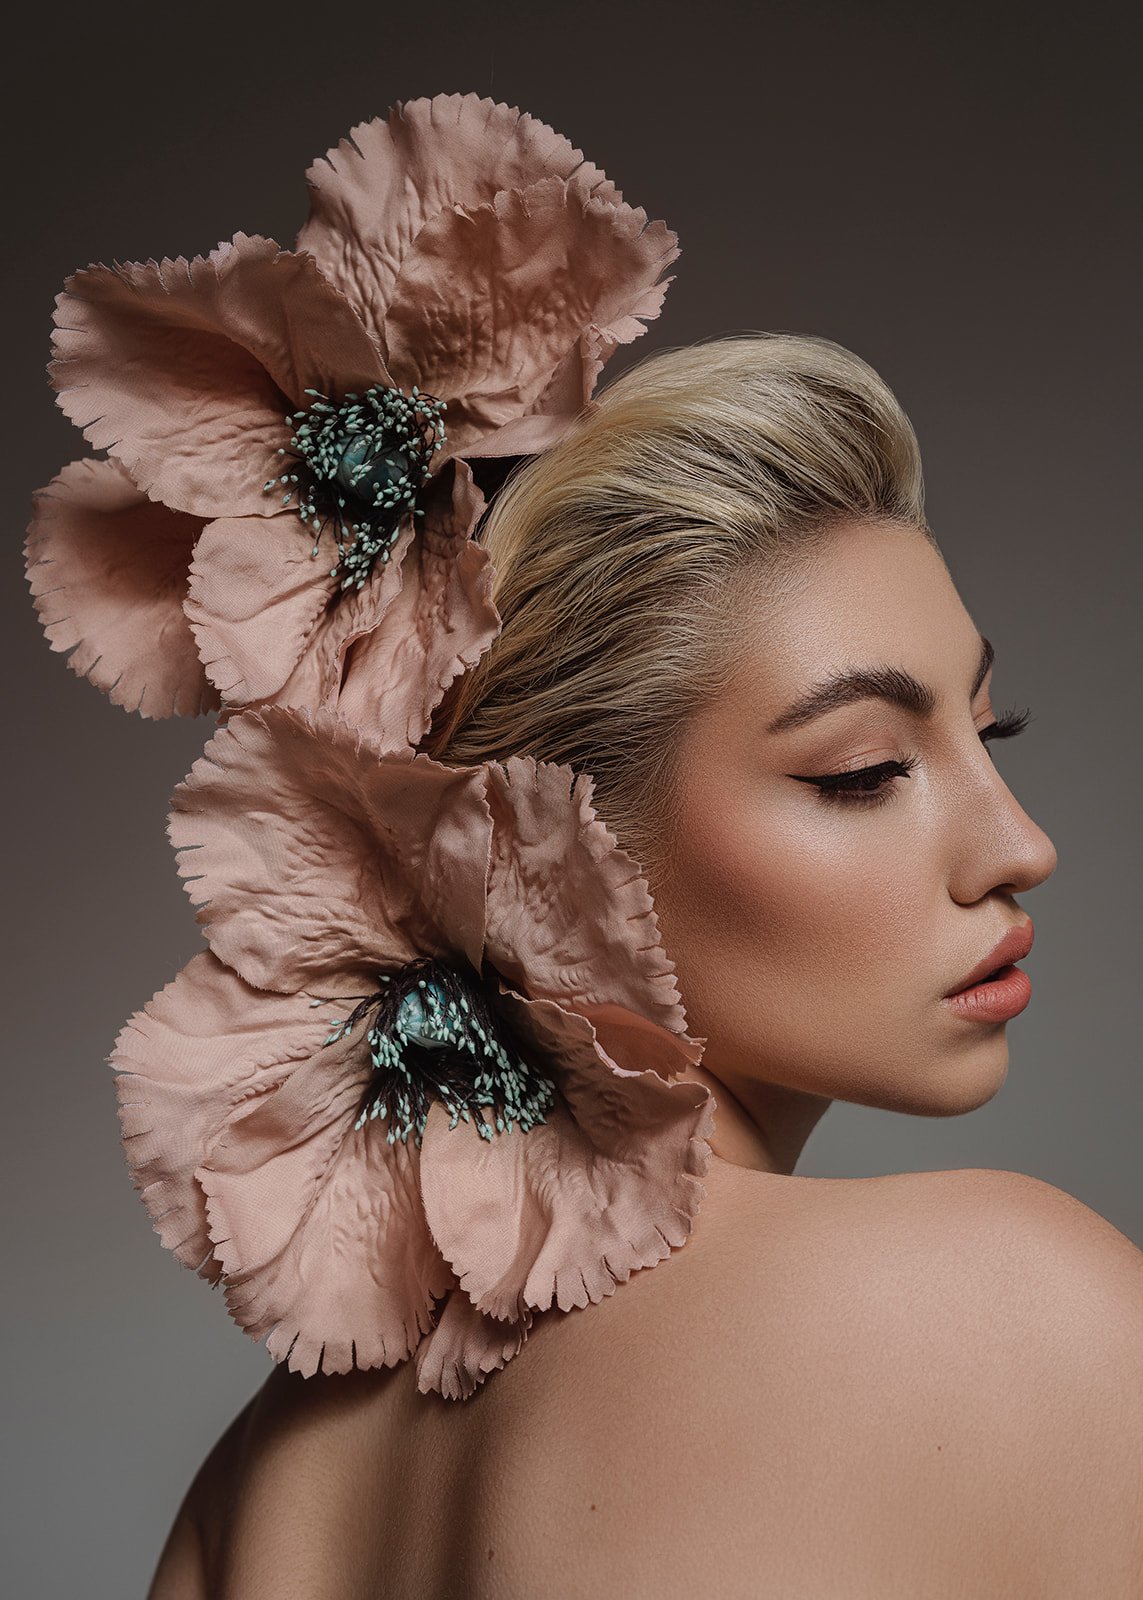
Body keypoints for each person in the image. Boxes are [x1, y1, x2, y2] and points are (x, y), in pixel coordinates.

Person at [144, 332, 1143, 1598]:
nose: (1022, 845)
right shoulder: (1001, 1307)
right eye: (865, 772)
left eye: (993, 732)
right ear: (558, 851)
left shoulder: (269, 1476)